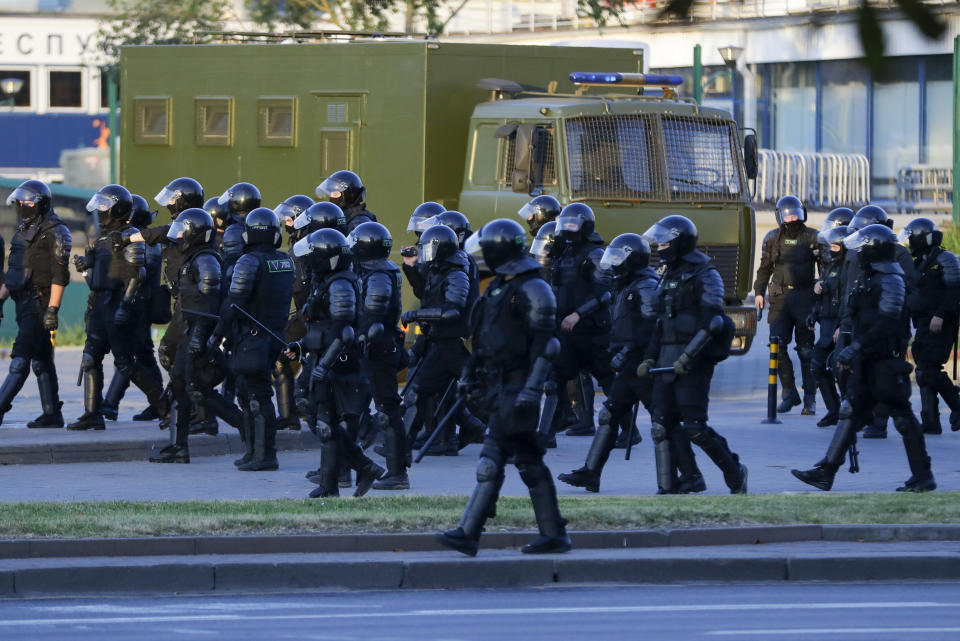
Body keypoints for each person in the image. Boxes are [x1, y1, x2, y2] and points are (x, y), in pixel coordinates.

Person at [437, 218, 570, 557]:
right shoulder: (498, 287)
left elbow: (548, 345)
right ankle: (553, 534)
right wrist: (469, 375)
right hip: (499, 385)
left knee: (492, 461)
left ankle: (469, 533)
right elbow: (482, 341)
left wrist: (532, 388)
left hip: (518, 386)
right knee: (526, 461)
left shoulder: (533, 288)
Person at [792, 224, 935, 493]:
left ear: (873, 250)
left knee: (902, 418)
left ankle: (923, 476)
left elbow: (886, 324)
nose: (856, 252)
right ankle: (826, 471)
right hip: (869, 362)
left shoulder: (891, 281)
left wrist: (854, 348)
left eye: (861, 248)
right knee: (851, 413)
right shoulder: (872, 277)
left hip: (885, 363)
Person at [558, 233, 686, 493]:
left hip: (644, 366)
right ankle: (591, 473)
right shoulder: (625, 284)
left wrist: (629, 351)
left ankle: (677, 479)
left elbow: (653, 329)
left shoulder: (646, 286)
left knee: (662, 423)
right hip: (629, 365)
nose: (613, 263)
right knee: (608, 416)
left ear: (632, 259)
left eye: (618, 257)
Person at [639, 215, 748, 494]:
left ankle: (734, 471)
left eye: (664, 241)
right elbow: (660, 323)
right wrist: (650, 357)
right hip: (665, 360)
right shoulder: (667, 274)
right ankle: (687, 478)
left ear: (679, 242)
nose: (659, 246)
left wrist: (687, 358)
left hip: (692, 362)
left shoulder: (705, 274)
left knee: (694, 428)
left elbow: (713, 323)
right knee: (662, 425)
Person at [292, 228, 384, 496]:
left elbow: (344, 331)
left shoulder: (340, 284)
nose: (307, 261)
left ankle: (356, 472)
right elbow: (320, 328)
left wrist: (323, 365)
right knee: (327, 425)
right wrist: (299, 346)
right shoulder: (327, 280)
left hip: (339, 365)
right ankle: (334, 483)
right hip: (326, 360)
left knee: (328, 425)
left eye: (312, 256)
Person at [70, 184, 168, 430]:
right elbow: (95, 281)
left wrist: (125, 305)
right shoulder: (101, 238)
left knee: (126, 362)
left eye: (105, 206)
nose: (100, 210)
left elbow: (137, 274)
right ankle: (92, 414)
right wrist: (84, 269)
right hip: (101, 305)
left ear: (117, 208)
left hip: (119, 306)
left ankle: (165, 408)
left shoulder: (130, 236)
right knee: (90, 358)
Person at [149, 208, 223, 463]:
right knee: (181, 387)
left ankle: (249, 432)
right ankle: (178, 447)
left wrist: (200, 337)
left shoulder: (206, 260)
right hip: (188, 330)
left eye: (183, 231)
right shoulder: (192, 258)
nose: (178, 236)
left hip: (196, 332)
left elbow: (208, 304)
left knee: (196, 389)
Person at [0, 180, 71, 428]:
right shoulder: (23, 230)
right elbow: (15, 272)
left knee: (20, 360)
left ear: (39, 203)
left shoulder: (56, 231)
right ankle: (52, 414)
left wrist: (52, 310)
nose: (21, 205)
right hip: (23, 300)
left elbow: (60, 277)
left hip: (40, 302)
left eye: (26, 202)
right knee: (41, 359)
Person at [347, 222, 410, 490]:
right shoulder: (378, 270)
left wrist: (361, 337)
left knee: (386, 409)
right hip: (379, 345)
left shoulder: (379, 275)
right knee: (380, 407)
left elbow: (374, 310)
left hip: (379, 348)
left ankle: (397, 473)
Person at [401, 224, 473, 456]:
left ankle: (491, 434)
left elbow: (452, 311)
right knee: (421, 391)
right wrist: (411, 268)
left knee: (480, 394)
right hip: (439, 343)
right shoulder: (438, 270)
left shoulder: (457, 273)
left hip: (452, 345)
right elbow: (425, 294)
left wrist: (416, 315)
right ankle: (402, 445)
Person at [544, 203, 612, 441]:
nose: (567, 229)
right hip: (567, 330)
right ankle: (547, 433)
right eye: (565, 223)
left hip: (592, 331)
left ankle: (629, 430)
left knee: (609, 381)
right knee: (554, 379)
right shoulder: (564, 253)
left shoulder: (595, 254)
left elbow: (605, 292)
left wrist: (579, 314)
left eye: (572, 224)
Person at [753, 195, 820, 414]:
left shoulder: (813, 237)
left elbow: (827, 267)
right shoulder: (773, 238)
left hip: (805, 299)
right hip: (780, 300)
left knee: (806, 351)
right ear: (780, 216)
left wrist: (823, 287)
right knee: (777, 346)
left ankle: (810, 397)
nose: (792, 218)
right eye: (788, 214)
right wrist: (758, 292)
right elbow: (764, 268)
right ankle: (789, 393)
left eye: (795, 213)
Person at [101, 195, 165, 422]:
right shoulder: (149, 241)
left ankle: (111, 404)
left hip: (136, 304)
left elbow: (135, 274)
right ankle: (158, 403)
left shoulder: (139, 242)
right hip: (142, 303)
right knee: (143, 354)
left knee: (127, 356)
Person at [898, 218, 960, 434]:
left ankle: (957, 405)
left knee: (928, 370)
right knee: (923, 371)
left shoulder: (946, 259)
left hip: (942, 324)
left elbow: (955, 291)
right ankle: (931, 422)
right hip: (922, 323)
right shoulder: (917, 263)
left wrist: (941, 315)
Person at [272, 194, 315, 431]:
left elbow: (295, 285)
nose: (286, 221)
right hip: (305, 313)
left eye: (291, 217)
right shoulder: (300, 243)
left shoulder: (305, 247)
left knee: (282, 354)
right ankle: (292, 411)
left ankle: (292, 412)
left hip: (310, 315)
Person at [806, 224, 851, 428]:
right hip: (826, 325)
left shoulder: (850, 269)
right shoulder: (831, 267)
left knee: (840, 369)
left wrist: (843, 326)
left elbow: (849, 301)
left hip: (839, 326)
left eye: (834, 247)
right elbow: (823, 294)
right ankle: (833, 411)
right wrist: (812, 315)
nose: (831, 251)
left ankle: (848, 409)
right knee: (817, 366)